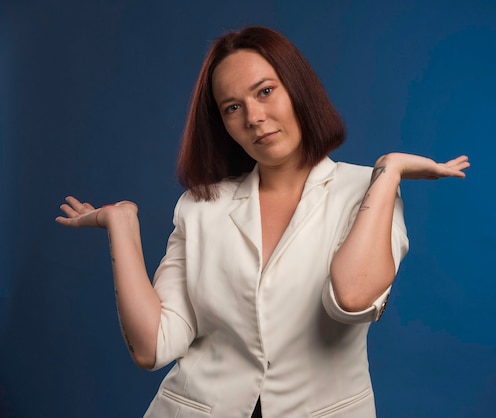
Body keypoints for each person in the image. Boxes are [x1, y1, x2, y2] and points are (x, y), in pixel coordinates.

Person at [56, 26, 469, 418]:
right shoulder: (201, 206)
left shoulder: (368, 191)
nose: (253, 117)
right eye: (232, 107)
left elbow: (351, 300)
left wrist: (389, 169)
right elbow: (154, 347)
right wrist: (122, 226)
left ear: (298, 91)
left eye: (266, 92)